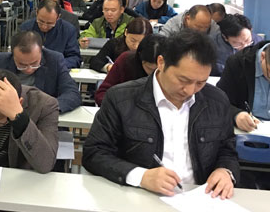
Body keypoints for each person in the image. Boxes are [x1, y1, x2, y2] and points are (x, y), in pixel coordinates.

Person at [83, 30, 239, 199]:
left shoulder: (216, 100)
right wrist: (141, 176)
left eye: (200, 83)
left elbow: (227, 150)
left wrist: (225, 171)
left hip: (201, 198)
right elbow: (94, 153)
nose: (190, 90)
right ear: (161, 63)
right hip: (138, 196)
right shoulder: (121, 98)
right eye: (183, 80)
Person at [0, 31, 81, 113]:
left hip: (43, 116)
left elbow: (72, 93)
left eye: (34, 64)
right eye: (22, 65)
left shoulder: (54, 60)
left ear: (41, 51)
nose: (28, 69)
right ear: (12, 55)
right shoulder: (0, 61)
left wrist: (48, 108)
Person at [94, 34, 166, 105]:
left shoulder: (170, 72)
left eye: (159, 69)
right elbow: (102, 93)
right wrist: (120, 106)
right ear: (140, 58)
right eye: (149, 68)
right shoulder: (125, 61)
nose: (155, 73)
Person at [217, 41, 270, 131]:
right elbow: (218, 102)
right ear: (262, 57)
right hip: (249, 131)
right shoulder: (237, 64)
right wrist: (236, 114)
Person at [20, 0, 81, 69]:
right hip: (30, 69)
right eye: (41, 21)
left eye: (50, 23)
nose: (44, 26)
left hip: (58, 70)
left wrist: (57, 64)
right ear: (36, 12)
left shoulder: (68, 30)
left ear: (58, 17)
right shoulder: (26, 28)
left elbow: (75, 58)